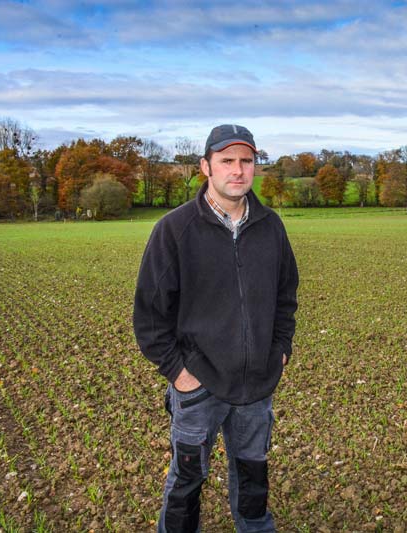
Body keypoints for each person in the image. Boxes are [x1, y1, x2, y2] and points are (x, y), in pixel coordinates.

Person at [133, 124, 299, 532]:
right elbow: (150, 315)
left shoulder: (271, 227)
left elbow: (285, 296)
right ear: (206, 166)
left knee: (253, 476)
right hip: (198, 385)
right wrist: (179, 372)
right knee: (187, 479)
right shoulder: (174, 230)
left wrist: (280, 348)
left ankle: (255, 526)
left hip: (256, 385)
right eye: (227, 161)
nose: (238, 170)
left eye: (247, 161)